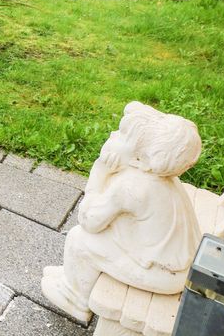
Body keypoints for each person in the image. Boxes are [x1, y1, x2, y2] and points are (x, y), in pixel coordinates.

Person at [42, 102, 202, 322]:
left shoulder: (130, 187)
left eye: (122, 134)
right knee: (101, 237)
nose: (112, 134)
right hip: (177, 265)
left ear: (139, 159)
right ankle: (72, 274)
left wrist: (99, 172)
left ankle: (75, 297)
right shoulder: (162, 179)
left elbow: (89, 220)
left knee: (79, 240)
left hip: (162, 275)